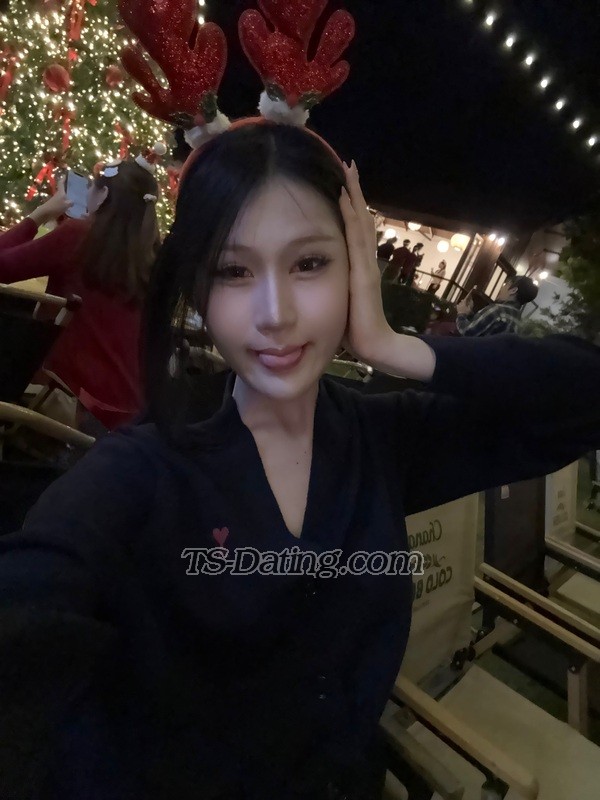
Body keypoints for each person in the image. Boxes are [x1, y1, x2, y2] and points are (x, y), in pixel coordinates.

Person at [1, 4, 599, 800]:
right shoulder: (138, 476)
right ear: (196, 291)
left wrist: (397, 348)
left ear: (355, 271)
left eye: (310, 264)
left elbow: (582, 396)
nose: (275, 313)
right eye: (234, 271)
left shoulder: (382, 442)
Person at [0, 159, 160, 428]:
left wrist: (40, 214)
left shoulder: (80, 235)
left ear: (104, 194)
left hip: (71, 408)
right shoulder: (152, 258)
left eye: (91, 186)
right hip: (130, 422)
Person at [455, 275, 538, 337]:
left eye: (506, 284)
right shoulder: (519, 321)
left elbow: (467, 331)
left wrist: (461, 313)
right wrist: (469, 314)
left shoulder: (498, 310)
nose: (501, 288)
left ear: (513, 290)